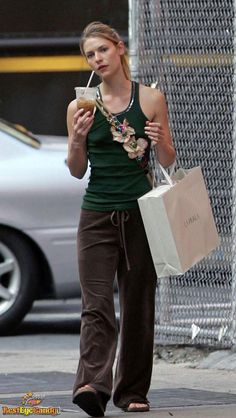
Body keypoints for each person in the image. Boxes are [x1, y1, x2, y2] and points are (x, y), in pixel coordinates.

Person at [66, 21, 176, 417]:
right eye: (90, 54)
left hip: (141, 214)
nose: (97, 59)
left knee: (138, 304)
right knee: (96, 305)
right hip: (96, 214)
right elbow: (77, 170)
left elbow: (166, 158)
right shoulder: (80, 105)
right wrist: (77, 140)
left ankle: (130, 391)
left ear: (120, 49)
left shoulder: (149, 98)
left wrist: (160, 137)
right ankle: (92, 385)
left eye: (102, 50)